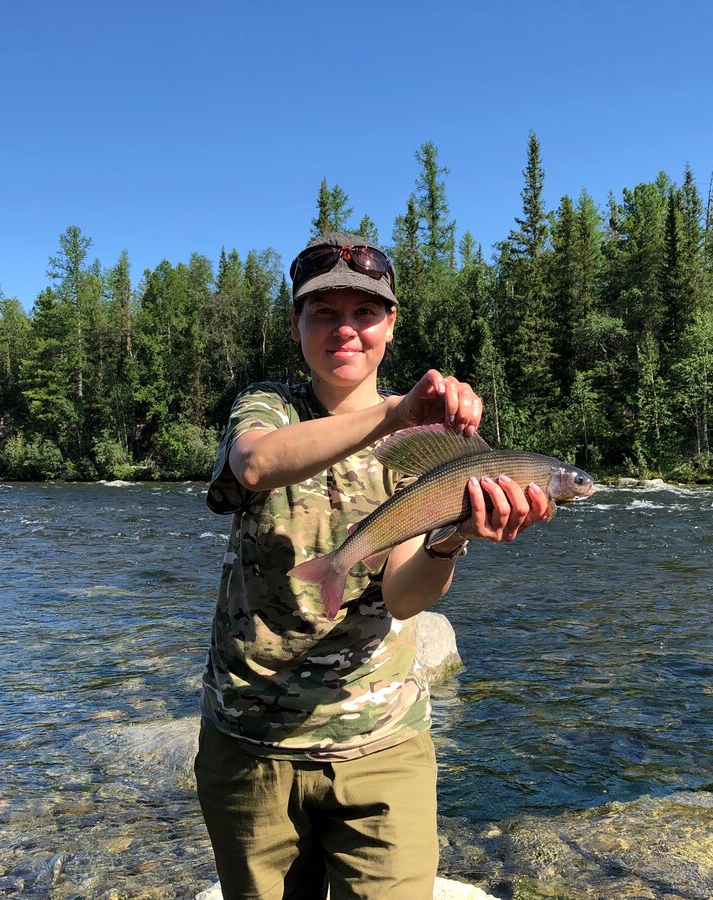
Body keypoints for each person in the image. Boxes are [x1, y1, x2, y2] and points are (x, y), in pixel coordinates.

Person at [195, 232, 552, 899]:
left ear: (390, 325)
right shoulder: (267, 407)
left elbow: (406, 596)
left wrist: (451, 538)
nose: (345, 330)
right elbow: (255, 464)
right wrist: (393, 413)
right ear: (298, 325)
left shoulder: (428, 444)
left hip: (380, 747)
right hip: (250, 748)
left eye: (364, 313)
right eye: (324, 313)